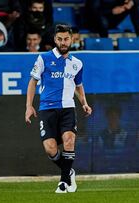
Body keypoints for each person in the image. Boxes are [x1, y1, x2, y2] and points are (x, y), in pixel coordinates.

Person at [25, 24, 92, 193]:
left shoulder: (77, 63)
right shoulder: (43, 58)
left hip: (68, 108)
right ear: (55, 39)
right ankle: (69, 171)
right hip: (47, 109)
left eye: (66, 39)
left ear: (72, 39)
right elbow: (32, 82)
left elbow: (78, 85)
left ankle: (63, 183)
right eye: (60, 39)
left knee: (70, 140)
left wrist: (84, 102)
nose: (63, 42)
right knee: (50, 149)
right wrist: (28, 106)